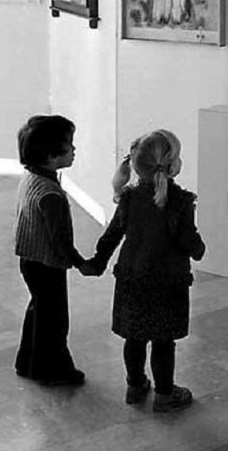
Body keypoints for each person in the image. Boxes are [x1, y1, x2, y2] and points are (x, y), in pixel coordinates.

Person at [80, 129, 205, 412]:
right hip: (167, 280)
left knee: (133, 337)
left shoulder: (129, 197)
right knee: (163, 340)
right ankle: (164, 394)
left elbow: (112, 234)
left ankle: (135, 386)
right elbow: (188, 239)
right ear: (172, 163)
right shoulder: (181, 200)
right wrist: (199, 249)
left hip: (131, 276)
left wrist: (98, 262)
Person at [14, 114, 87, 386]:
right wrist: (81, 263)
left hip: (30, 259)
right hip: (47, 263)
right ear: (50, 155)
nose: (74, 150)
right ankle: (53, 370)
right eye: (69, 145)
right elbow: (61, 241)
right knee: (55, 321)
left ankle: (28, 362)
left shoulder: (32, 177)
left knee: (38, 311)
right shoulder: (50, 194)